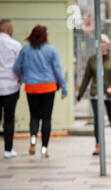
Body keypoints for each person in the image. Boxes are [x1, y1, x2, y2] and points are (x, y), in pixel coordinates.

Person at [13, 25, 67, 158]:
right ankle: (44, 148)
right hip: (48, 87)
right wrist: (64, 88)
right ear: (45, 35)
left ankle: (32, 139)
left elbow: (16, 67)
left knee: (34, 115)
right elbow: (58, 71)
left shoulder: (25, 49)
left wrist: (24, 75)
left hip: (32, 87)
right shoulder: (51, 50)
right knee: (47, 118)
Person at [77, 34, 111, 155]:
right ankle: (98, 145)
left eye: (104, 43)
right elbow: (86, 78)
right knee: (98, 119)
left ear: (107, 45)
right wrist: (80, 94)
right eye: (99, 43)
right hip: (96, 92)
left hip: (110, 94)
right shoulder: (92, 59)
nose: (101, 45)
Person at [0, 19, 21, 159]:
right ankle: (8, 149)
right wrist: (20, 78)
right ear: (9, 30)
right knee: (9, 119)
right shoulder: (15, 45)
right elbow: (19, 66)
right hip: (11, 87)